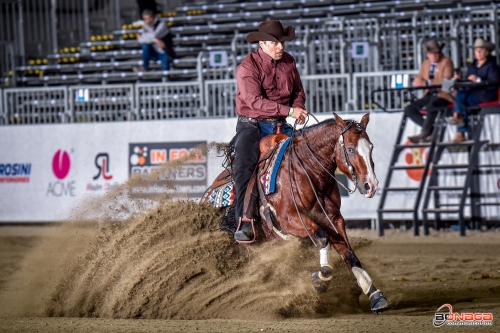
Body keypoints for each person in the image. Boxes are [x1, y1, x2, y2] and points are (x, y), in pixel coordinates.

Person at [232, 20, 309, 242]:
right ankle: (244, 220)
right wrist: (290, 111)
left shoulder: (289, 62)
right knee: (245, 166)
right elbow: (253, 101)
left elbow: (298, 91)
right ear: (263, 44)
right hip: (252, 124)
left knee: (307, 158)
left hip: (280, 123)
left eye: (282, 42)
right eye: (276, 43)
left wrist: (299, 107)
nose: (281, 47)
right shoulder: (247, 67)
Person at [446, 38, 499, 142]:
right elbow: (467, 81)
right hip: (472, 92)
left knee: (460, 98)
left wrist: (478, 80)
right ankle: (459, 125)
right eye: (476, 50)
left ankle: (459, 125)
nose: (478, 52)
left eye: (481, 50)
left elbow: (495, 81)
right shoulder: (472, 66)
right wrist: (459, 79)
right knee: (460, 96)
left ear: (487, 52)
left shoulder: (492, 66)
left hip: (485, 94)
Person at [404, 39, 454, 143]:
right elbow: (418, 78)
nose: (434, 55)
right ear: (427, 54)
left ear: (440, 53)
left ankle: (424, 132)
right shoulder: (425, 64)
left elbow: (447, 79)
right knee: (409, 109)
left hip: (443, 94)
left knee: (432, 105)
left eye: (436, 53)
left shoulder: (446, 61)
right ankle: (430, 130)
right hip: (429, 93)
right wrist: (417, 82)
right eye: (431, 53)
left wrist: (428, 83)